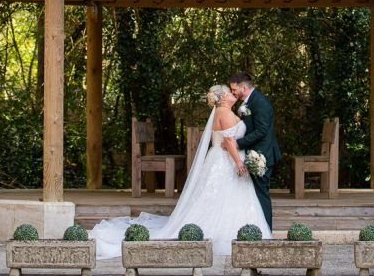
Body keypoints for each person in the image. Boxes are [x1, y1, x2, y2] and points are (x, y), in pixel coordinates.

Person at [89, 84, 270, 258]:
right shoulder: (224, 112)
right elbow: (229, 141)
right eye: (229, 93)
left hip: (220, 159)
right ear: (222, 98)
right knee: (224, 197)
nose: (233, 94)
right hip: (226, 161)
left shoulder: (223, 112)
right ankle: (225, 232)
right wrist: (238, 162)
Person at [221, 71, 281, 230]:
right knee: (253, 195)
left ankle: (267, 232)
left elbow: (262, 130)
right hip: (252, 152)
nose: (232, 92)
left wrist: (237, 143)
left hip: (261, 154)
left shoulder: (260, 102)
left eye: (234, 89)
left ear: (244, 87)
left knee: (261, 193)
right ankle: (257, 230)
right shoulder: (248, 102)